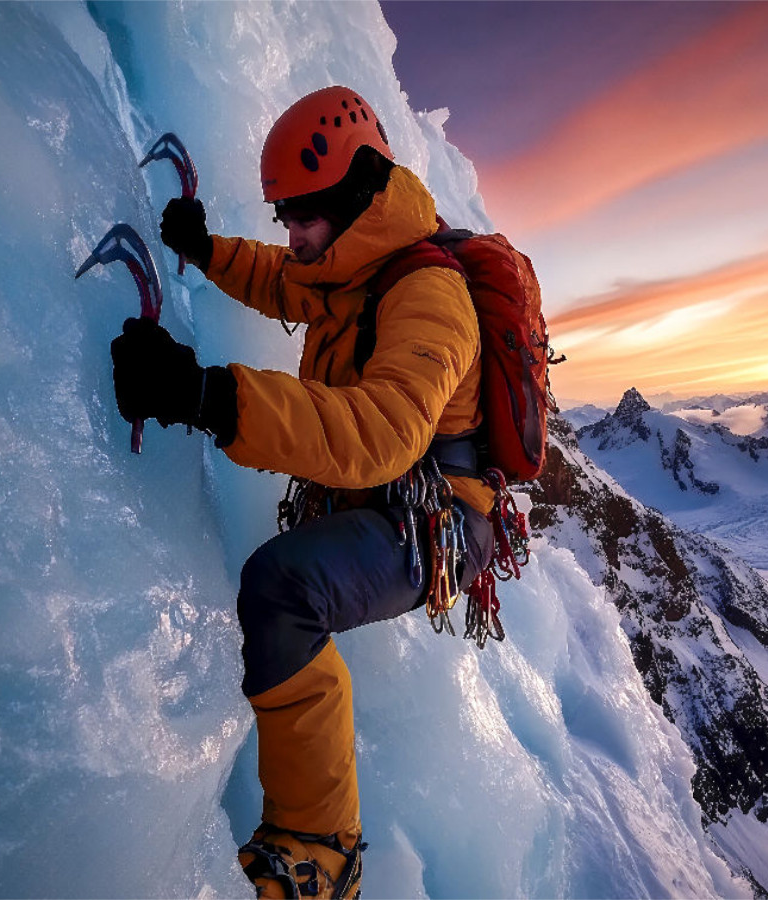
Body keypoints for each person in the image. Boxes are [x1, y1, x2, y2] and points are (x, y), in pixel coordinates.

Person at [110, 85, 496, 899]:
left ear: (356, 196)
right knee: (284, 584)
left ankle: (323, 851)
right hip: (386, 499)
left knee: (283, 589)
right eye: (284, 215)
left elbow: (384, 431)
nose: (290, 232)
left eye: (300, 215)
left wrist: (210, 397)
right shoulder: (350, 261)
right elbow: (285, 283)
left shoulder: (429, 294)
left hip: (440, 521)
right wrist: (207, 248)